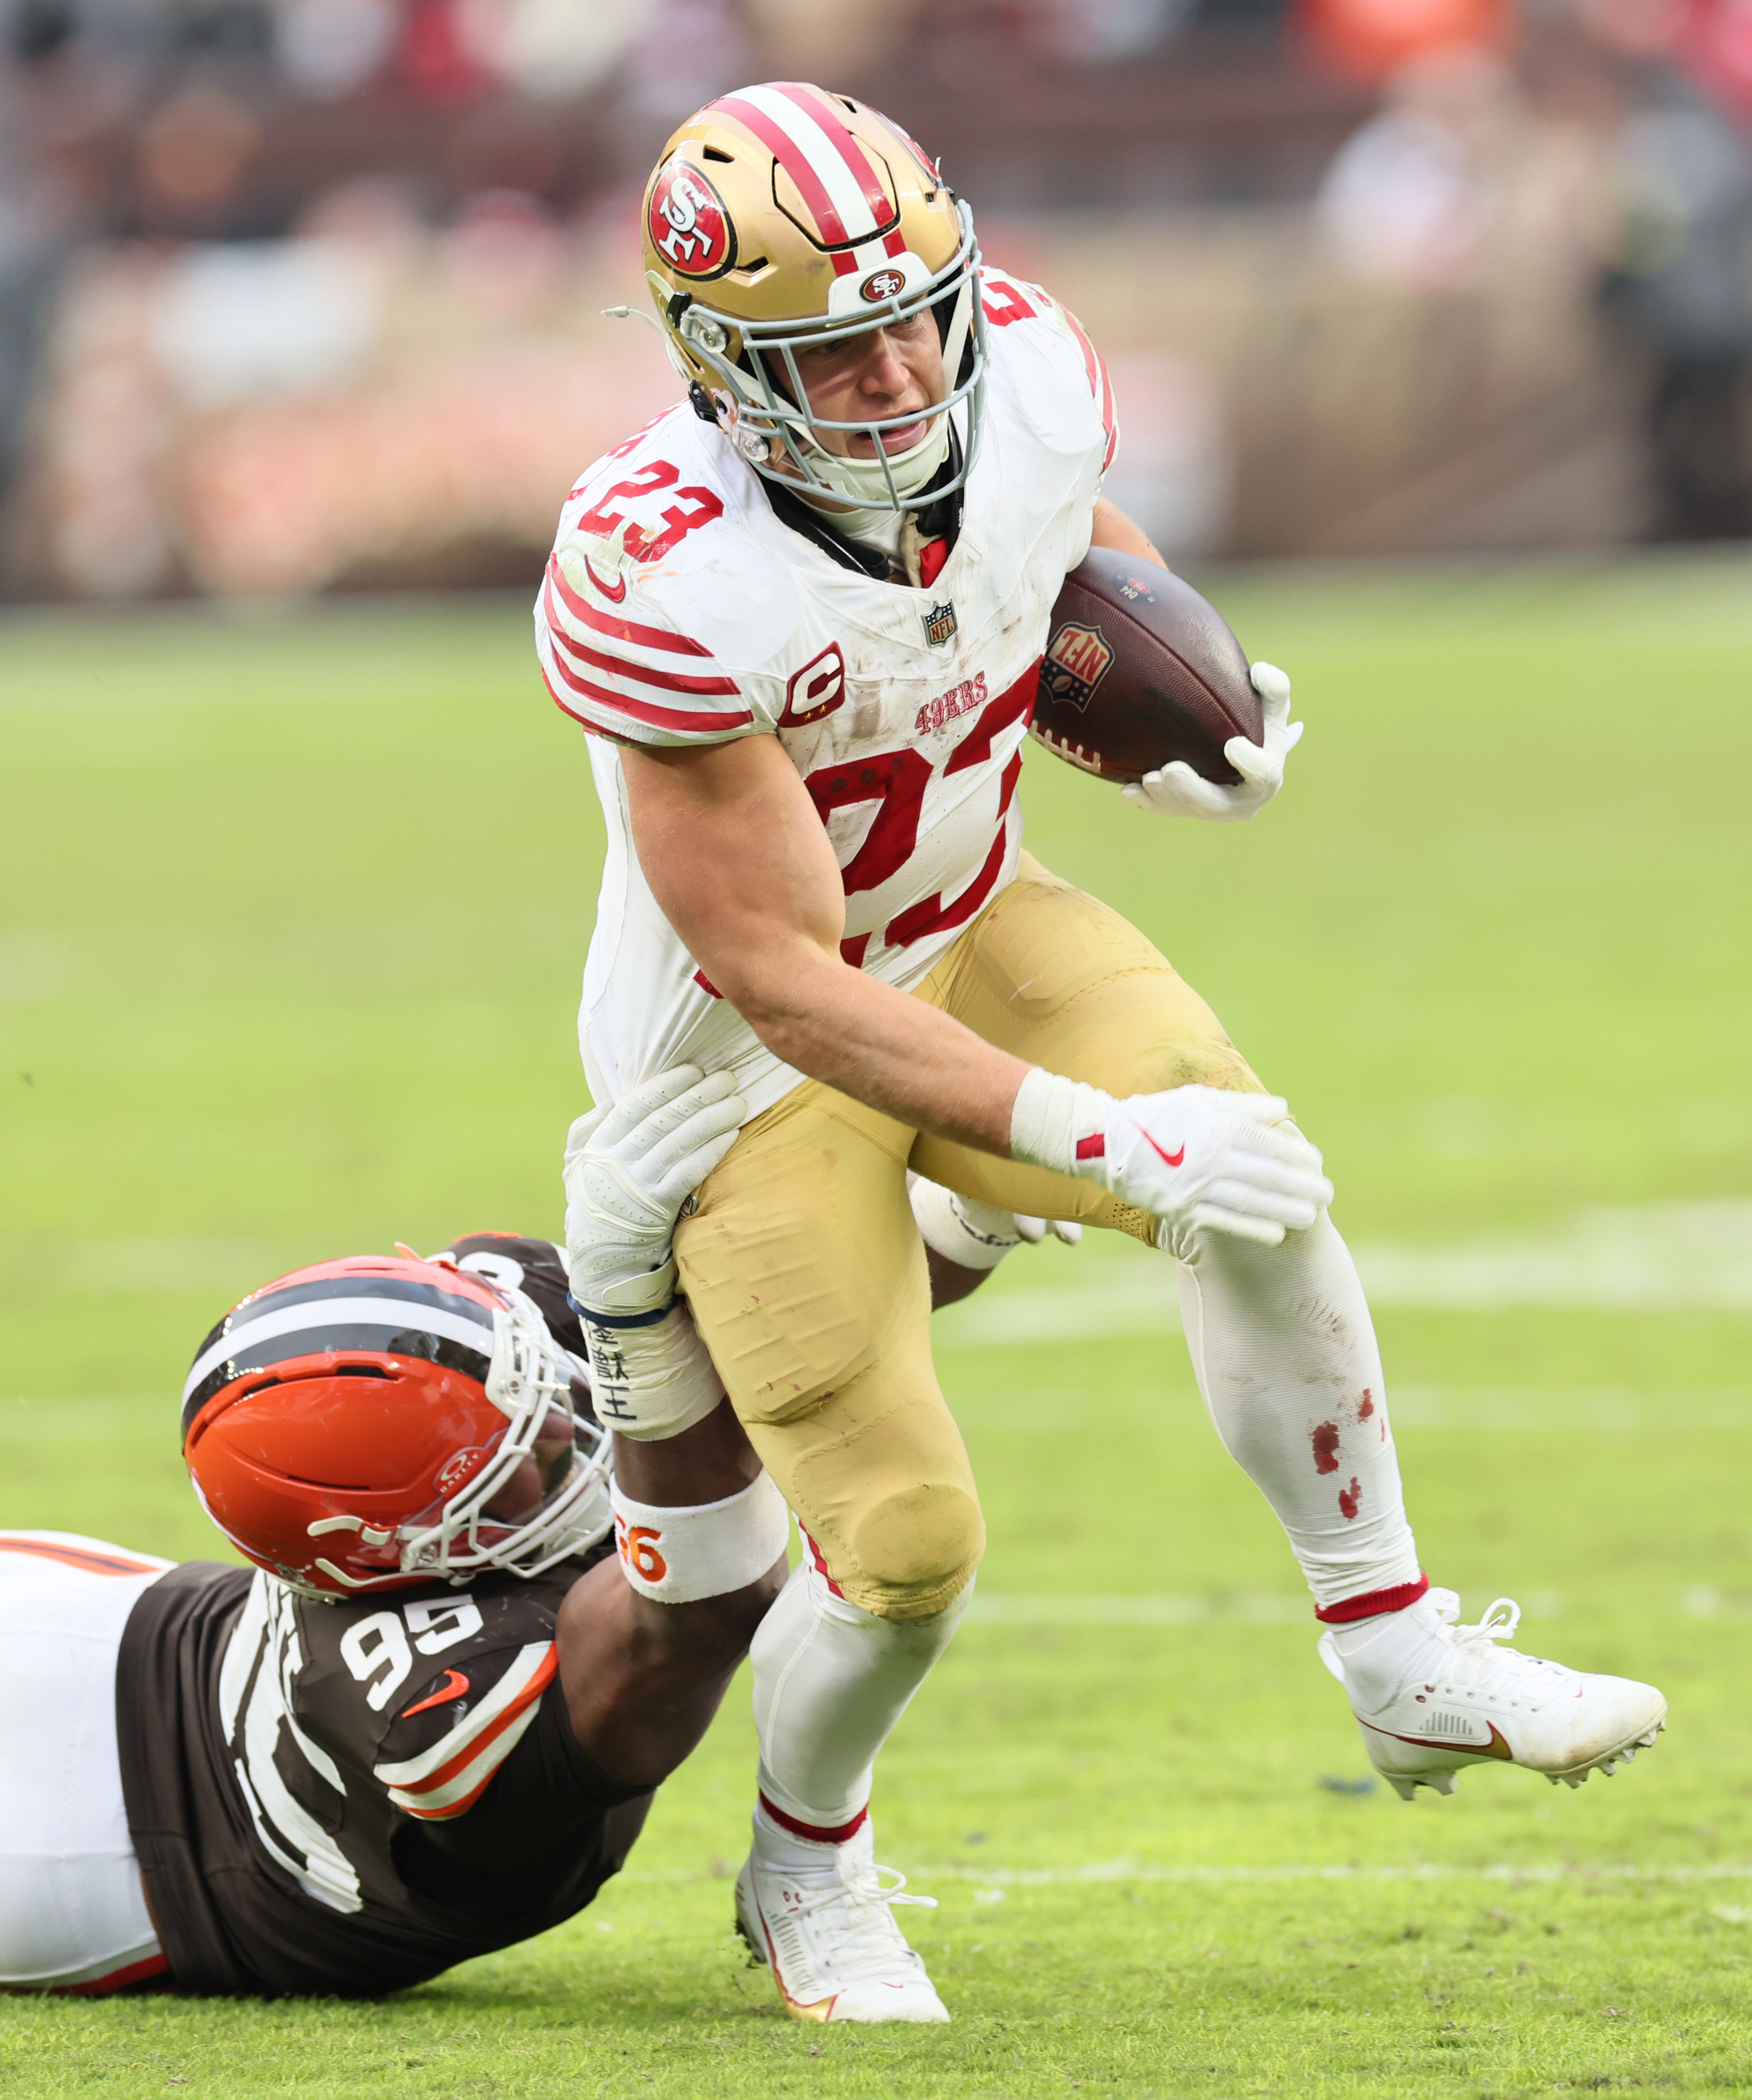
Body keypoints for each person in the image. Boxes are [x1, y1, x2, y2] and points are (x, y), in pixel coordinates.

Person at [539, 82, 1667, 2027]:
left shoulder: (1029, 367)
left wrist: (1172, 693)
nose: (902, 372)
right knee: (900, 1549)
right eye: (835, 348)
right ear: (721, 361)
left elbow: (1056, 537)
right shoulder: (665, 572)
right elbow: (778, 971)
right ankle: (806, 1862)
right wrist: (1091, 1137)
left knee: (1251, 1155)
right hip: (748, 1066)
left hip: (974, 916)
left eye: (922, 315)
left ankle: (1392, 1641)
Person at [0, 1077, 796, 1999]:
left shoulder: (485, 1332)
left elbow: (797, 1311)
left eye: (539, 1393)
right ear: (400, 1553)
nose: (567, 1435)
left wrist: (946, 1204)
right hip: (87, 1846)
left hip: (105, 1625)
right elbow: (708, 1590)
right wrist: (638, 1313)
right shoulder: (433, 1693)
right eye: (517, 1472)